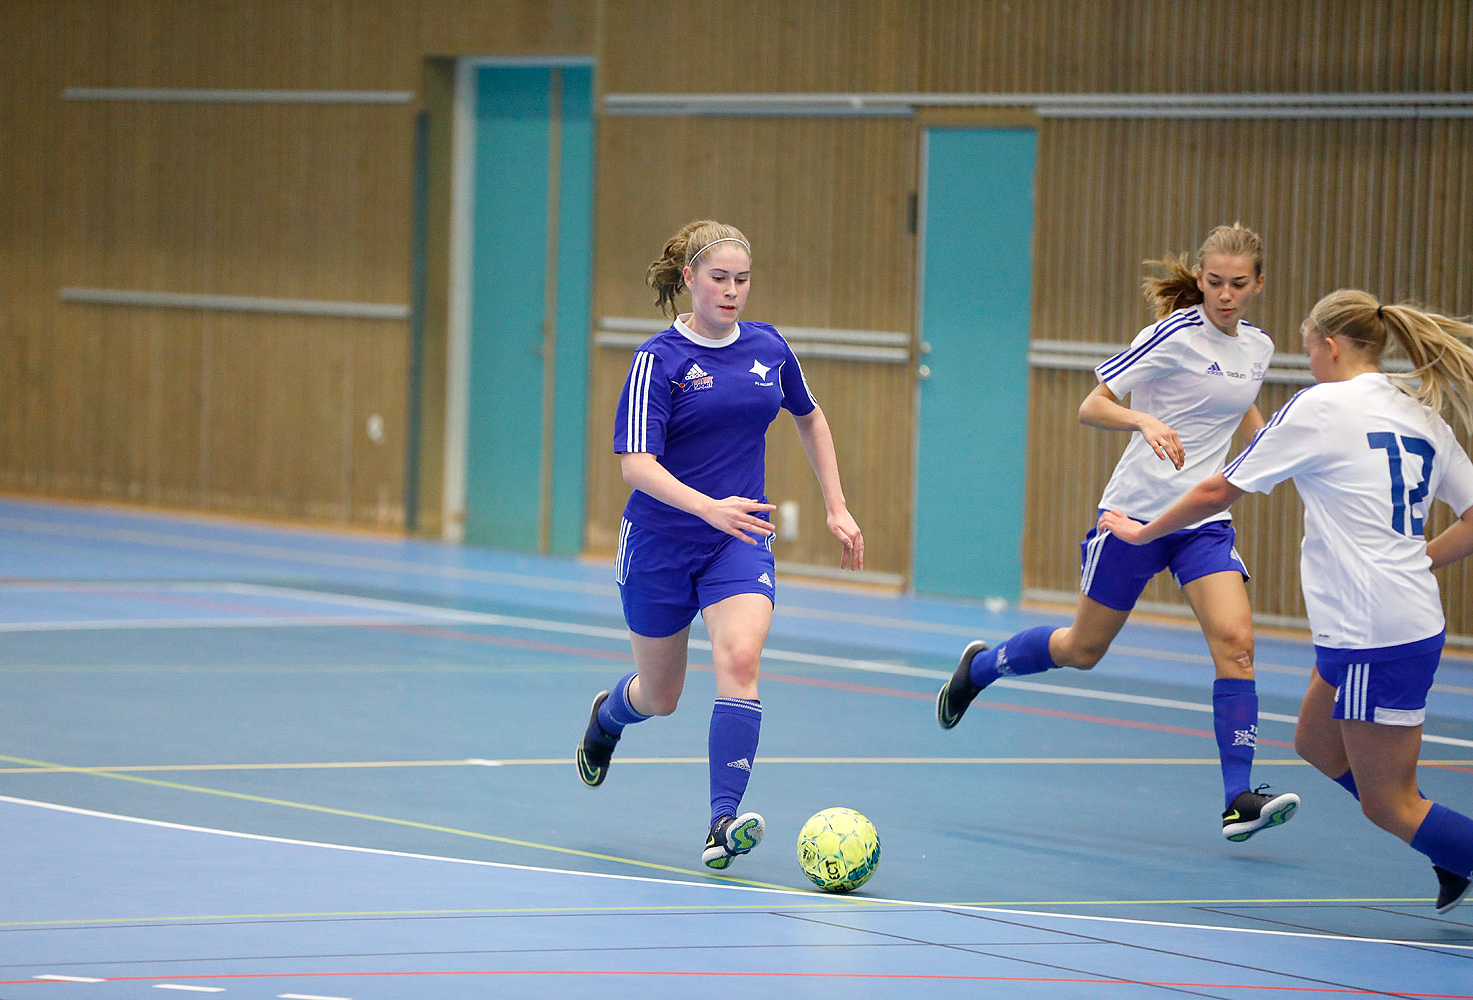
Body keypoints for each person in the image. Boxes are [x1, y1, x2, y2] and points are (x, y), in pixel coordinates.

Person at [1098, 289, 1473, 913]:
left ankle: (1451, 844)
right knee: (1315, 743)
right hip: (1394, 617)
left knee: (1391, 803)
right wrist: (1415, 560)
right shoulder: (1419, 412)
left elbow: (1218, 489)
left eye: (1306, 350)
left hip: (1372, 631)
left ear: (1329, 346)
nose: (1307, 362)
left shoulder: (1321, 407)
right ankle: (1447, 848)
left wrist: (1143, 532)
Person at [937, 222, 1302, 842]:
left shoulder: (1259, 349)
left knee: (1237, 642)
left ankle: (1238, 797)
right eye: (1214, 282)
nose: (1225, 295)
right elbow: (1092, 405)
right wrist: (1143, 419)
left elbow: (1238, 403)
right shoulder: (1172, 335)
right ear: (1203, 278)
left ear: (1258, 284)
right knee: (1083, 650)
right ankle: (981, 668)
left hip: (1200, 521)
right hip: (1132, 518)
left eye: (1239, 284)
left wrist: (1269, 452)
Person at [577, 220, 865, 871]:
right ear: (689, 280)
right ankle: (608, 717)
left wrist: (837, 507)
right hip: (659, 545)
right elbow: (636, 465)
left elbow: (810, 417)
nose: (732, 291)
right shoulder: (659, 360)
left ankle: (721, 820)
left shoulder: (767, 347)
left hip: (738, 543)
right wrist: (708, 506)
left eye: (742, 279)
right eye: (719, 278)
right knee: (662, 696)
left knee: (739, 660)